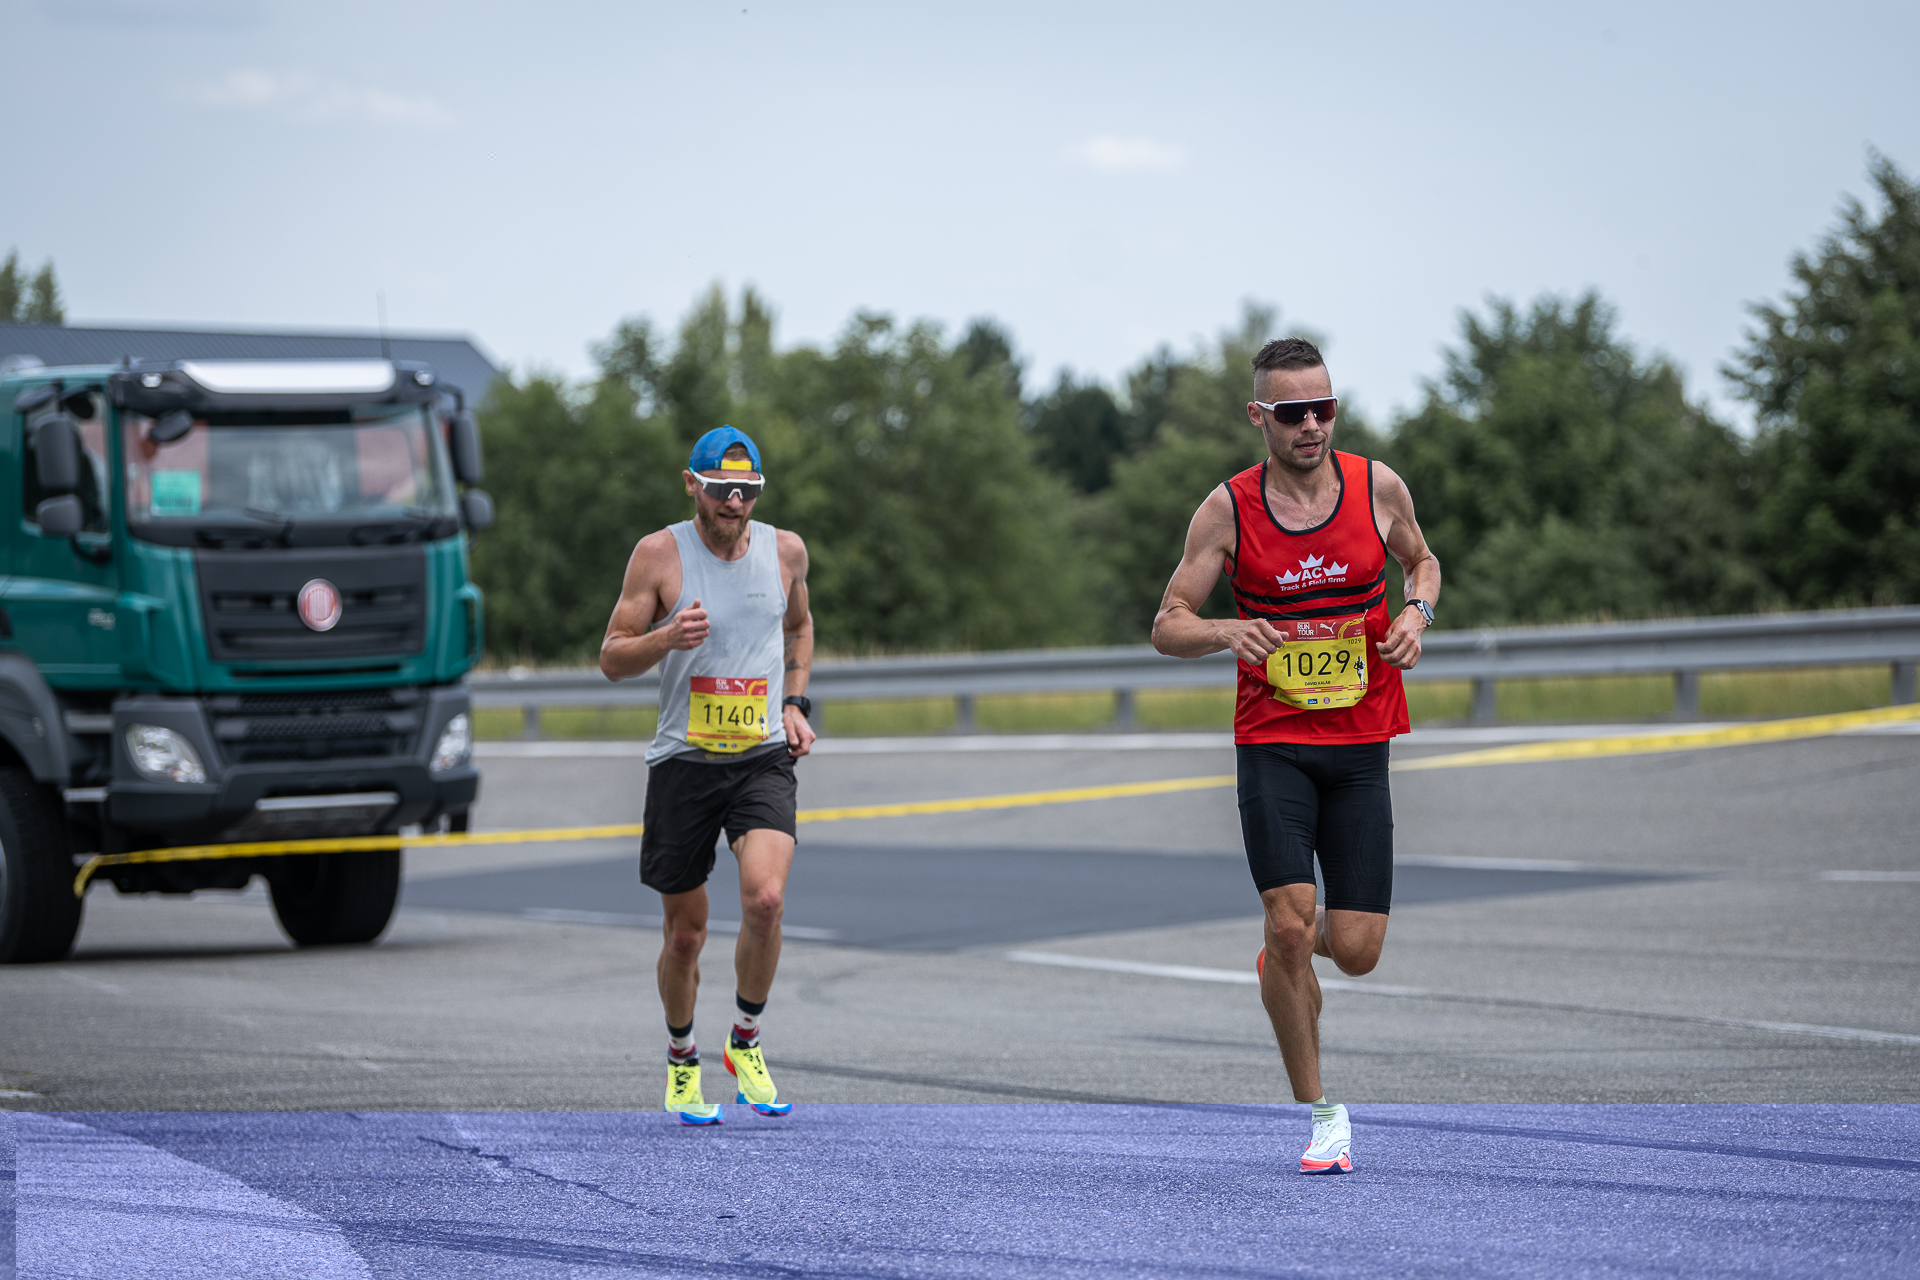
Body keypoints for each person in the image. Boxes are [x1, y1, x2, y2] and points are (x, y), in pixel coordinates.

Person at [1151, 337, 1440, 1174]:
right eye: (1292, 412)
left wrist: (1417, 613)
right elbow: (1168, 620)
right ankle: (1321, 1115)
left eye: (1324, 408)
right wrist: (1223, 630)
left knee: (1354, 948)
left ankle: (1291, 949)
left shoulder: (1376, 485)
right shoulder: (1229, 510)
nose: (1311, 425)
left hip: (1359, 746)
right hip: (1273, 743)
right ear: (1259, 417)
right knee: (1288, 922)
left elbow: (1422, 560)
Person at [600, 425, 817, 1125]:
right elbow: (612, 656)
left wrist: (793, 703)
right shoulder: (659, 555)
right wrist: (666, 637)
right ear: (691, 484)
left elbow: (800, 629)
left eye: (747, 491)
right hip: (684, 761)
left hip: (759, 754)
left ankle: (745, 1040)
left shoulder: (786, 551)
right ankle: (681, 1057)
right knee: (686, 934)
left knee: (767, 899)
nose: (734, 502)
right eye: (722, 489)